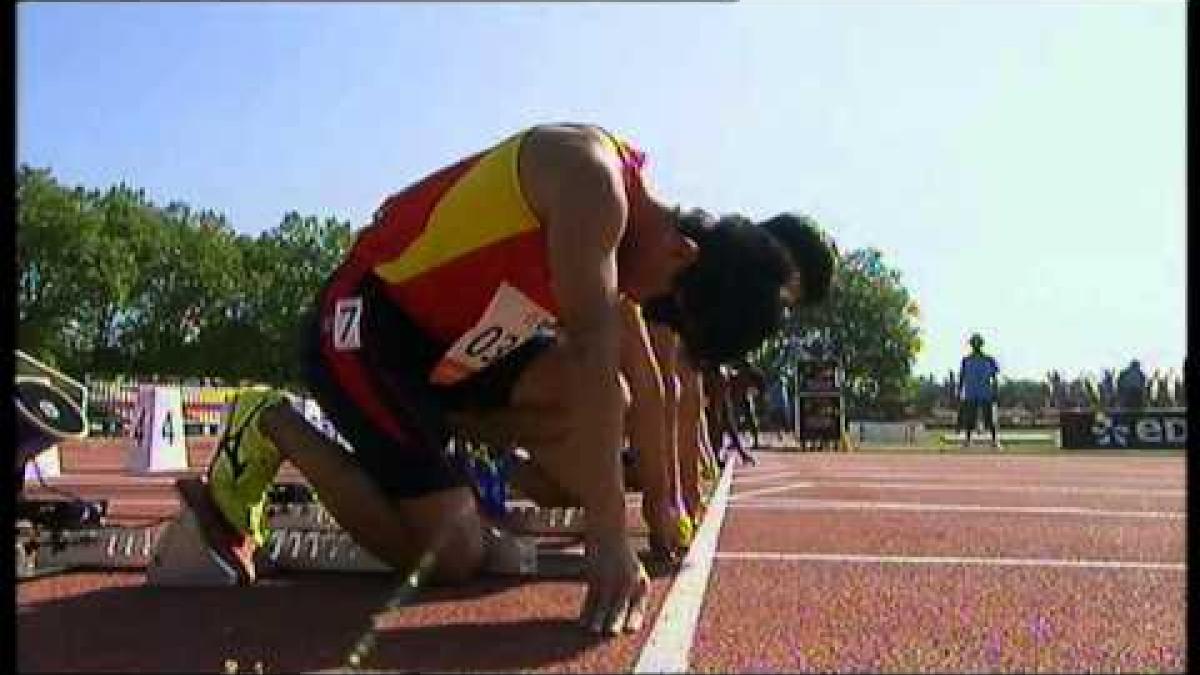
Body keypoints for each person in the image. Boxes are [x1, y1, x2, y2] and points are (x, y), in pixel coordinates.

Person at [177, 124, 835, 636]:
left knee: (597, 424)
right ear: (683, 254)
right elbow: (597, 358)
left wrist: (665, 507)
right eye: (663, 302)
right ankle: (271, 421)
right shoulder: (592, 181)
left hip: (455, 355)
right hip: (367, 323)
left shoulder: (641, 240)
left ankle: (456, 460)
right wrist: (609, 537)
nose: (644, 305)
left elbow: (645, 382)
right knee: (454, 555)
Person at [956, 333, 1001, 449]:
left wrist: (995, 391)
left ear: (981, 344)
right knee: (969, 418)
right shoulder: (966, 360)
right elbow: (962, 376)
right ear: (971, 345)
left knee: (989, 419)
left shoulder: (989, 360)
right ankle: (967, 440)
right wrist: (959, 390)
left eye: (978, 343)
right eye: (974, 343)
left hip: (985, 392)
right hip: (971, 393)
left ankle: (995, 440)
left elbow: (995, 377)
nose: (976, 345)